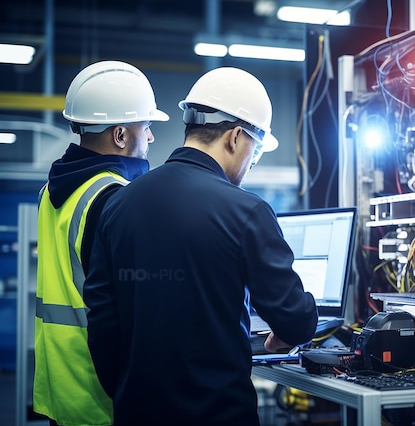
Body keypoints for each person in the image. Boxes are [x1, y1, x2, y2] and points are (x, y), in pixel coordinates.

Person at [83, 66, 318, 426]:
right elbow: (297, 319)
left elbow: (102, 322)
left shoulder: (118, 205)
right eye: (254, 154)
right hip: (219, 414)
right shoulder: (247, 211)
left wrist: (130, 394)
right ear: (236, 138)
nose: (250, 166)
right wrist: (280, 339)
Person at [34, 60, 169, 426]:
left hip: (62, 390)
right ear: (121, 135)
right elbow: (128, 309)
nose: (152, 137)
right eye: (147, 126)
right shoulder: (115, 197)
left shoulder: (52, 192)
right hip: (104, 398)